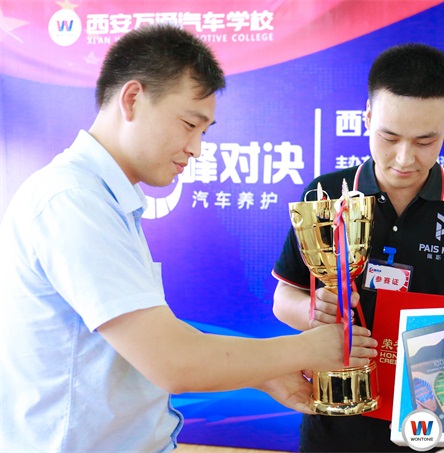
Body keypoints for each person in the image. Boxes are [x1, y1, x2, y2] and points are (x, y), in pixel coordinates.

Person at [0, 24, 378, 452]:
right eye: (188, 124)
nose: (196, 148)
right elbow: (173, 360)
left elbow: (149, 338)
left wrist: (264, 373)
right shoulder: (72, 202)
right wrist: (306, 349)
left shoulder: (101, 200)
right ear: (132, 99)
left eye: (204, 131)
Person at [272, 43, 444, 452]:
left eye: (425, 141)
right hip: (336, 420)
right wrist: (314, 313)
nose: (404, 159)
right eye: (389, 137)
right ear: (367, 117)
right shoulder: (326, 195)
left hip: (431, 417)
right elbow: (284, 297)